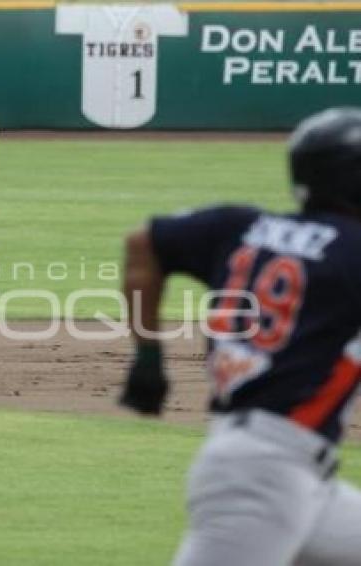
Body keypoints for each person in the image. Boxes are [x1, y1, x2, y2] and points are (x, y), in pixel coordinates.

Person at [119, 107, 361, 565]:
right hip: (262, 473)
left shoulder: (240, 227)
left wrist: (148, 355)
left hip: (301, 478)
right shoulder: (352, 250)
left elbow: (142, 244)